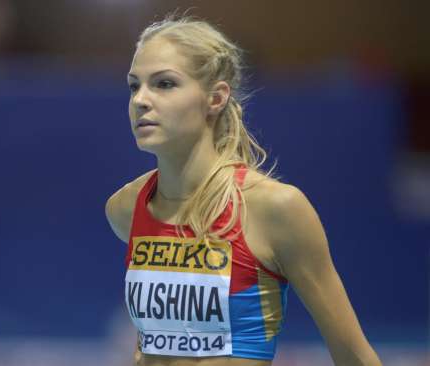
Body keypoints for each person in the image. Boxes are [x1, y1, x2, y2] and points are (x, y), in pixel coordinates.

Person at [105, 15, 382, 366]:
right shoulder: (125, 209)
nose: (141, 100)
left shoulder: (276, 209)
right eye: (134, 86)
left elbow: (354, 357)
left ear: (216, 98)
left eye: (164, 84)